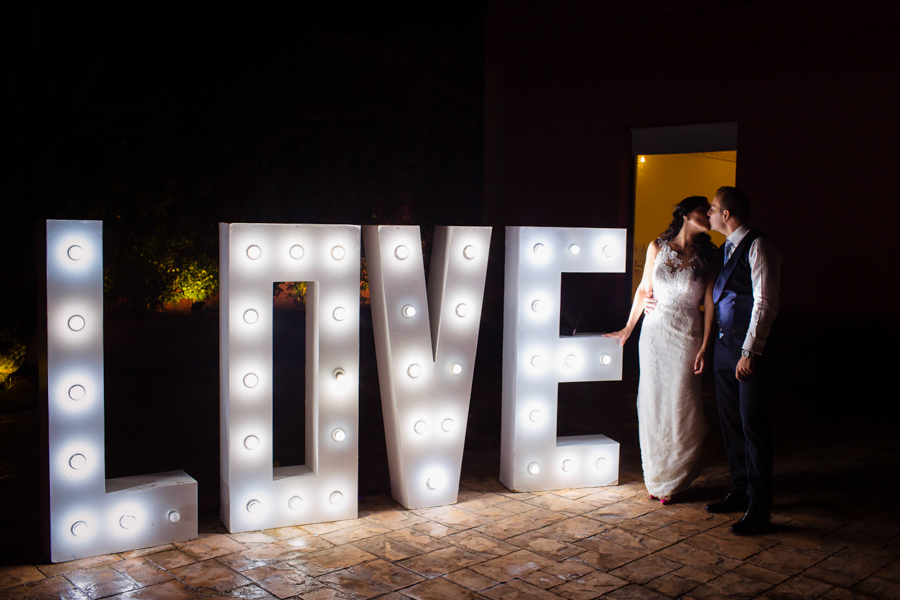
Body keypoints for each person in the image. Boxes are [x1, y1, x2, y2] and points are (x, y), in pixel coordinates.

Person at [604, 196, 717, 504]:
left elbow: (711, 306)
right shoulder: (657, 247)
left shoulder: (708, 254)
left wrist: (706, 347)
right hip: (653, 335)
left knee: (681, 404)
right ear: (685, 213)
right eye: (703, 210)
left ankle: (676, 477)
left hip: (687, 336)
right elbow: (644, 289)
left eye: (711, 211)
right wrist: (628, 328)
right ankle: (655, 478)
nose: (709, 214)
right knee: (652, 403)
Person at [704, 186, 783, 536]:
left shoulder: (759, 245)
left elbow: (765, 302)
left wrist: (750, 352)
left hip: (747, 350)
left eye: (712, 208)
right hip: (724, 347)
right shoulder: (725, 248)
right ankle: (738, 490)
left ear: (726, 215)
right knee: (730, 423)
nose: (708, 213)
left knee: (753, 427)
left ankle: (759, 506)